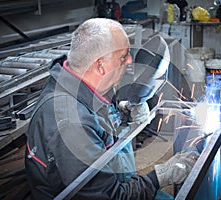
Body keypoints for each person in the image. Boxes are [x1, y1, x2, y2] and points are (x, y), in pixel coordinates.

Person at [25, 18, 199, 199]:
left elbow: (98, 129)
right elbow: (113, 196)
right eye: (123, 57)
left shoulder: (81, 81)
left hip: (116, 181)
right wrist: (160, 177)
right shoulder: (71, 125)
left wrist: (122, 118)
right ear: (100, 65)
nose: (130, 61)